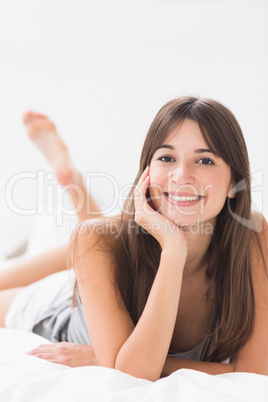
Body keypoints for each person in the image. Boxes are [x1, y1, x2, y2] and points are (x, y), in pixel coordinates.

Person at [0, 97, 267, 381]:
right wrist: (173, 250)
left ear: (234, 185)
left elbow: (255, 372)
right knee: (94, 238)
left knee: (99, 239)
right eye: (167, 157)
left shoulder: (252, 234)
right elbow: (135, 371)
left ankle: (74, 184)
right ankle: (72, 182)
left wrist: (100, 356)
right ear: (146, 173)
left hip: (107, 254)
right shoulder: (96, 241)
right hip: (59, 309)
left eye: (205, 160)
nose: (181, 176)